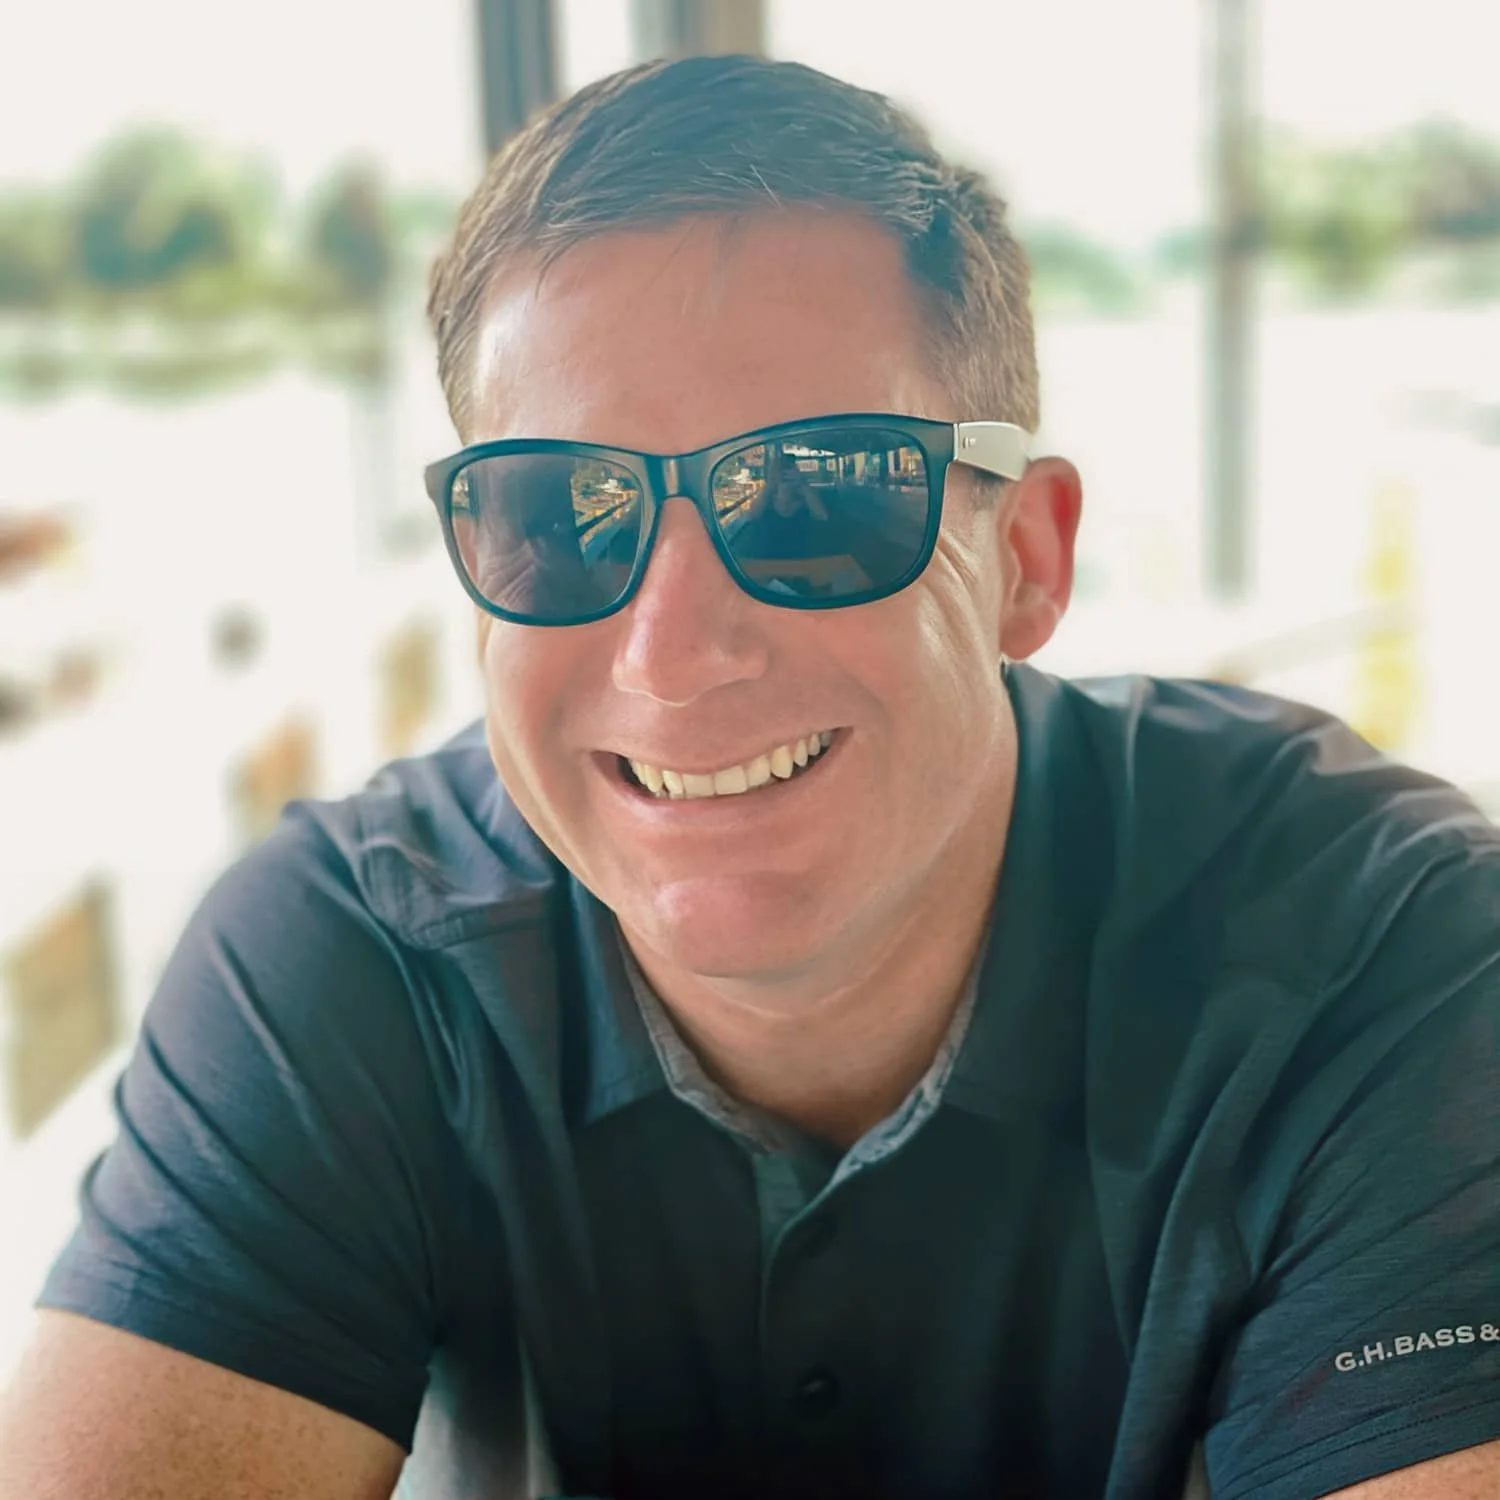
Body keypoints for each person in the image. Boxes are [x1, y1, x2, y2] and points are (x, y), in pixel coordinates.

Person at [2, 53, 1498, 1500]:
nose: (668, 651)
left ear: (1025, 558)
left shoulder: (1384, 952)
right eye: (557, 514)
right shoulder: (351, 954)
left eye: (813, 497)